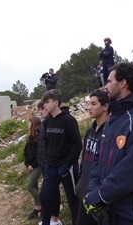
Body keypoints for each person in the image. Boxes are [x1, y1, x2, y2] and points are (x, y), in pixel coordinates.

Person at [83, 62, 133, 225]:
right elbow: (99, 156)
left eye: (109, 81)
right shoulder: (114, 118)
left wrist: (100, 195)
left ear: (123, 83)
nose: (105, 86)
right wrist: (93, 189)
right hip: (110, 210)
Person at [39, 89, 82, 225]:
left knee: (73, 200)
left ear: (56, 102)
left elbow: (77, 144)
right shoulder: (47, 122)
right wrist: (47, 161)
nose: (44, 105)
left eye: (47, 102)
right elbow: (46, 143)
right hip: (51, 167)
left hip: (66, 167)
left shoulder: (68, 120)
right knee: (44, 196)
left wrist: (67, 164)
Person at [75, 89, 109, 225]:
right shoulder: (90, 131)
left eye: (93, 104)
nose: (89, 108)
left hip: (99, 196)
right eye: (89, 104)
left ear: (105, 106)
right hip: (84, 191)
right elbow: (84, 158)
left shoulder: (110, 133)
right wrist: (80, 184)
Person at [37, 101, 62, 225]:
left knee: (54, 191)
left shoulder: (52, 124)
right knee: (47, 194)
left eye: (43, 109)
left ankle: (54, 218)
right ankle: (48, 218)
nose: (41, 111)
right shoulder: (44, 123)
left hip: (51, 163)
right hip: (44, 163)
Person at [24, 116, 42, 220]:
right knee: (34, 187)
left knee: (29, 186)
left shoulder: (40, 137)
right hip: (30, 166)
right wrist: (27, 164)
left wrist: (32, 165)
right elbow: (26, 153)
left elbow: (39, 155)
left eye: (29, 122)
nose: (27, 124)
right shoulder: (30, 137)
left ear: (33, 124)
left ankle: (41, 206)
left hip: (37, 166)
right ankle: (37, 208)